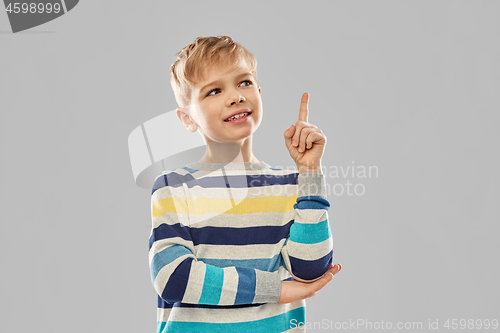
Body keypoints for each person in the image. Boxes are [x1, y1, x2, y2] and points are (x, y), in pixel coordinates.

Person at [149, 35, 342, 332]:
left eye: (244, 83)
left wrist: (310, 173)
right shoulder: (175, 187)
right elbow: (174, 278)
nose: (235, 96)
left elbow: (311, 269)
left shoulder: (291, 185)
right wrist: (275, 289)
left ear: (259, 92)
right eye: (214, 90)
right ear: (187, 118)